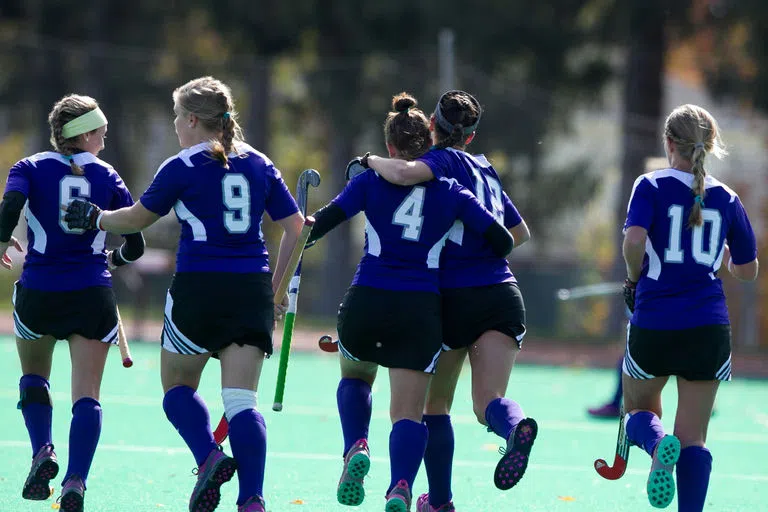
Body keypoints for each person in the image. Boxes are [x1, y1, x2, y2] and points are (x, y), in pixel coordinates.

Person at [64, 76, 304, 512]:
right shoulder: (260, 162)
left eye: (177, 116)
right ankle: (252, 500)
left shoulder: (181, 166)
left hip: (199, 288)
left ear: (193, 119)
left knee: (176, 388)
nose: (175, 124)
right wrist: (279, 288)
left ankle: (209, 456)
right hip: (251, 288)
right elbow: (296, 227)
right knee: (241, 402)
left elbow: (136, 219)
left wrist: (97, 219)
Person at [306, 93, 513, 512]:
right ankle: (400, 486)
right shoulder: (454, 191)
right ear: (429, 141)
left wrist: (300, 229)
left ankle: (355, 447)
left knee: (356, 377)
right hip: (420, 312)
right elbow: (504, 239)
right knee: (409, 413)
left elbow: (318, 225)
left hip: (367, 300)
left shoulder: (367, 181)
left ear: (390, 148)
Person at [364, 90, 534, 511]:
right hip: (503, 293)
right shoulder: (486, 168)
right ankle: (513, 426)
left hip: (455, 298)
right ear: (472, 137)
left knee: (434, 405)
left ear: (433, 129)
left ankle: (440, 502)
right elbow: (520, 233)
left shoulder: (443, 160)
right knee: (486, 403)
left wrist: (367, 162)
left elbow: (402, 174)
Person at [0, 94, 145, 512]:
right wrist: (114, 260)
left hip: (40, 291)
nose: (105, 135)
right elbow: (134, 242)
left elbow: (9, 207)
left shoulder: (27, 167)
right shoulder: (109, 175)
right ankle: (75, 482)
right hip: (91, 293)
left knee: (34, 377)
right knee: (88, 395)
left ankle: (42, 450)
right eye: (100, 129)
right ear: (85, 132)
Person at [621, 104, 758, 511]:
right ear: (711, 146)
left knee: (637, 412)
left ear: (668, 143)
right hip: (708, 325)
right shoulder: (729, 198)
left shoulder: (650, 184)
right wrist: (728, 257)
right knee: (695, 438)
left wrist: (632, 279)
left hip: (656, 320)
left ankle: (659, 443)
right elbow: (748, 271)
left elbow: (633, 242)